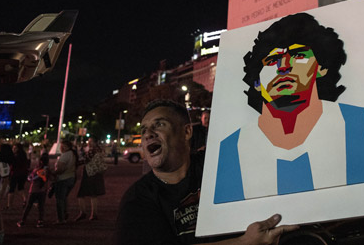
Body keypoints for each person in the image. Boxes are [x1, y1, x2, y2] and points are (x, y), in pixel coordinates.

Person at [215, 13, 364, 203]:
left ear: (321, 67)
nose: (284, 66)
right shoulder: (230, 150)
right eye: (272, 60)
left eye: (298, 56)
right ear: (256, 81)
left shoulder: (358, 124)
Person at [116, 99, 298, 245]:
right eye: (144, 129)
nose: (148, 134)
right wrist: (244, 242)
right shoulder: (137, 199)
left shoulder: (219, 164)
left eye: (159, 125)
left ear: (187, 132)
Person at [74, 136, 106, 221]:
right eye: (89, 141)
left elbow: (86, 160)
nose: (89, 143)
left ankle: (83, 212)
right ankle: (94, 213)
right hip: (97, 173)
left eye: (91, 141)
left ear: (95, 142)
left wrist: (75, 163)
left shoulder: (92, 150)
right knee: (93, 195)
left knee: (81, 195)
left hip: (89, 174)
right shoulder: (99, 149)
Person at [17, 153, 50, 228]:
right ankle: (40, 221)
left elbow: (32, 178)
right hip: (42, 190)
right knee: (41, 207)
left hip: (34, 190)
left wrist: (30, 178)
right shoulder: (47, 169)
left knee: (28, 206)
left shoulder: (39, 169)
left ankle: (23, 220)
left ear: (40, 161)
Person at [53, 140, 77, 224]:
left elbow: (60, 169)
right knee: (64, 198)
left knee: (59, 199)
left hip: (63, 179)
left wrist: (53, 173)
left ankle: (61, 219)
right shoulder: (72, 154)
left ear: (64, 147)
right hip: (71, 177)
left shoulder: (64, 156)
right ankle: (65, 213)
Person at [6, 143, 30, 208]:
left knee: (11, 189)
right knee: (20, 188)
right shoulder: (24, 156)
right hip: (23, 174)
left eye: (15, 148)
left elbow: (11, 165)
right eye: (13, 148)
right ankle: (25, 199)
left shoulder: (15, 157)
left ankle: (9, 205)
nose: (13, 149)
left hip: (15, 174)